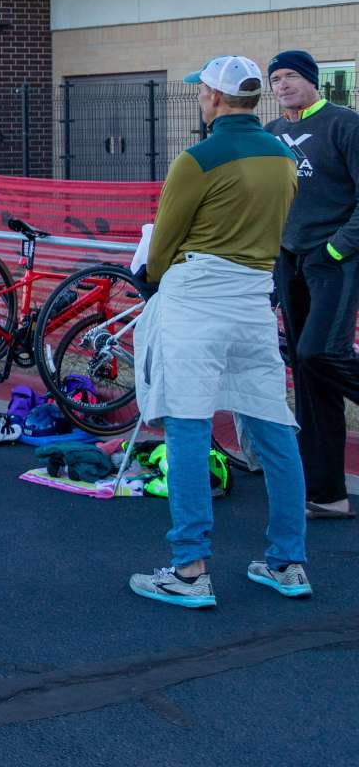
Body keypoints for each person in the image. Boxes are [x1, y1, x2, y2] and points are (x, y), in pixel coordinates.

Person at [127, 55, 310, 608]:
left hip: (196, 299)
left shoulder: (197, 158)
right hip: (254, 301)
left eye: (201, 92)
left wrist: (151, 276)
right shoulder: (283, 156)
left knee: (188, 425)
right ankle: (288, 561)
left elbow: (164, 242)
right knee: (275, 428)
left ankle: (190, 569)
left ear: (213, 98)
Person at [267, 49, 359, 520]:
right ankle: (327, 495)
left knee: (320, 352)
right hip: (289, 262)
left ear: (311, 80)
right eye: (275, 78)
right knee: (308, 375)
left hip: (334, 261)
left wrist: (337, 249)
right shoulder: (272, 133)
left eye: (289, 76)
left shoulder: (344, 124)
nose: (281, 85)